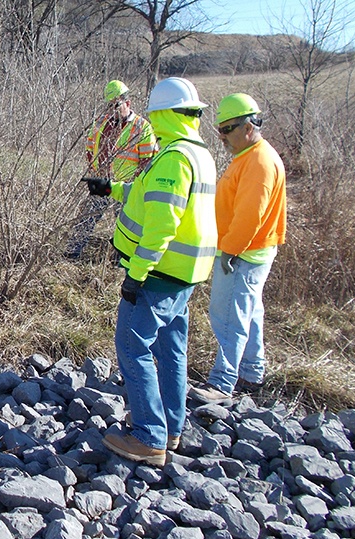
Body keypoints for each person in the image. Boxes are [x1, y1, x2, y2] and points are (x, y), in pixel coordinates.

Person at [84, 77, 218, 467]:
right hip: (185, 274)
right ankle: (171, 428)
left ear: (161, 112)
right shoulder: (196, 153)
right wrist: (112, 189)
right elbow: (148, 192)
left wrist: (136, 275)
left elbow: (162, 224)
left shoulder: (173, 158)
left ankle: (147, 436)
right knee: (171, 350)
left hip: (159, 274)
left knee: (131, 344)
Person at [188, 93, 287, 406]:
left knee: (228, 316)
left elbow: (250, 214)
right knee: (249, 312)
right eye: (220, 130)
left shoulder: (259, 161)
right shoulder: (249, 156)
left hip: (242, 253)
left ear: (249, 125)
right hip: (250, 251)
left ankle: (222, 382)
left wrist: (230, 250)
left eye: (228, 129)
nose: (223, 137)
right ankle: (251, 372)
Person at [64, 80, 158, 259]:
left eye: (116, 105)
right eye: (108, 106)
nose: (111, 110)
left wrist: (136, 185)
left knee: (126, 226)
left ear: (127, 103)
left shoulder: (142, 127)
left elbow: (149, 161)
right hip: (103, 182)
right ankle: (71, 253)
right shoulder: (100, 123)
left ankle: (121, 259)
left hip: (127, 187)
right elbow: (90, 148)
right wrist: (95, 172)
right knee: (86, 218)